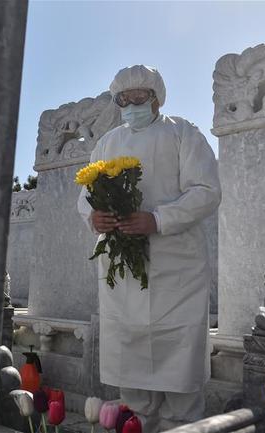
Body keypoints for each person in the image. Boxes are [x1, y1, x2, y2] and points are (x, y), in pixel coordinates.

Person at [77, 64, 221, 433]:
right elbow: (85, 196)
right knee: (133, 372)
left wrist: (156, 219)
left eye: (138, 97)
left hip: (177, 271)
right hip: (123, 275)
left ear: (156, 97)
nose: (130, 104)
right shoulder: (107, 143)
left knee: (179, 374)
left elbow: (206, 192)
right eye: (123, 98)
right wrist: (95, 217)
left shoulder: (182, 133)